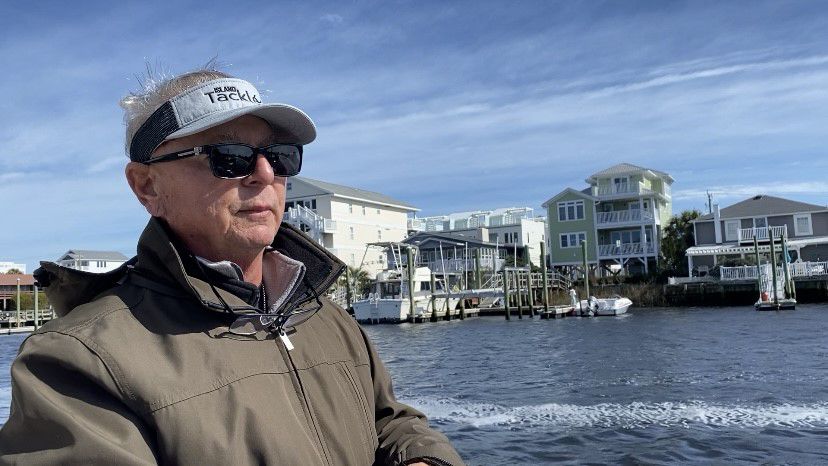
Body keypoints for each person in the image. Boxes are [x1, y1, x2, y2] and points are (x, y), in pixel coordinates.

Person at [0, 66, 464, 466]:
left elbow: (391, 421)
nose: (265, 173)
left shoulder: (325, 316)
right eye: (229, 157)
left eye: (279, 156)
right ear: (146, 187)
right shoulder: (75, 361)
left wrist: (422, 457)